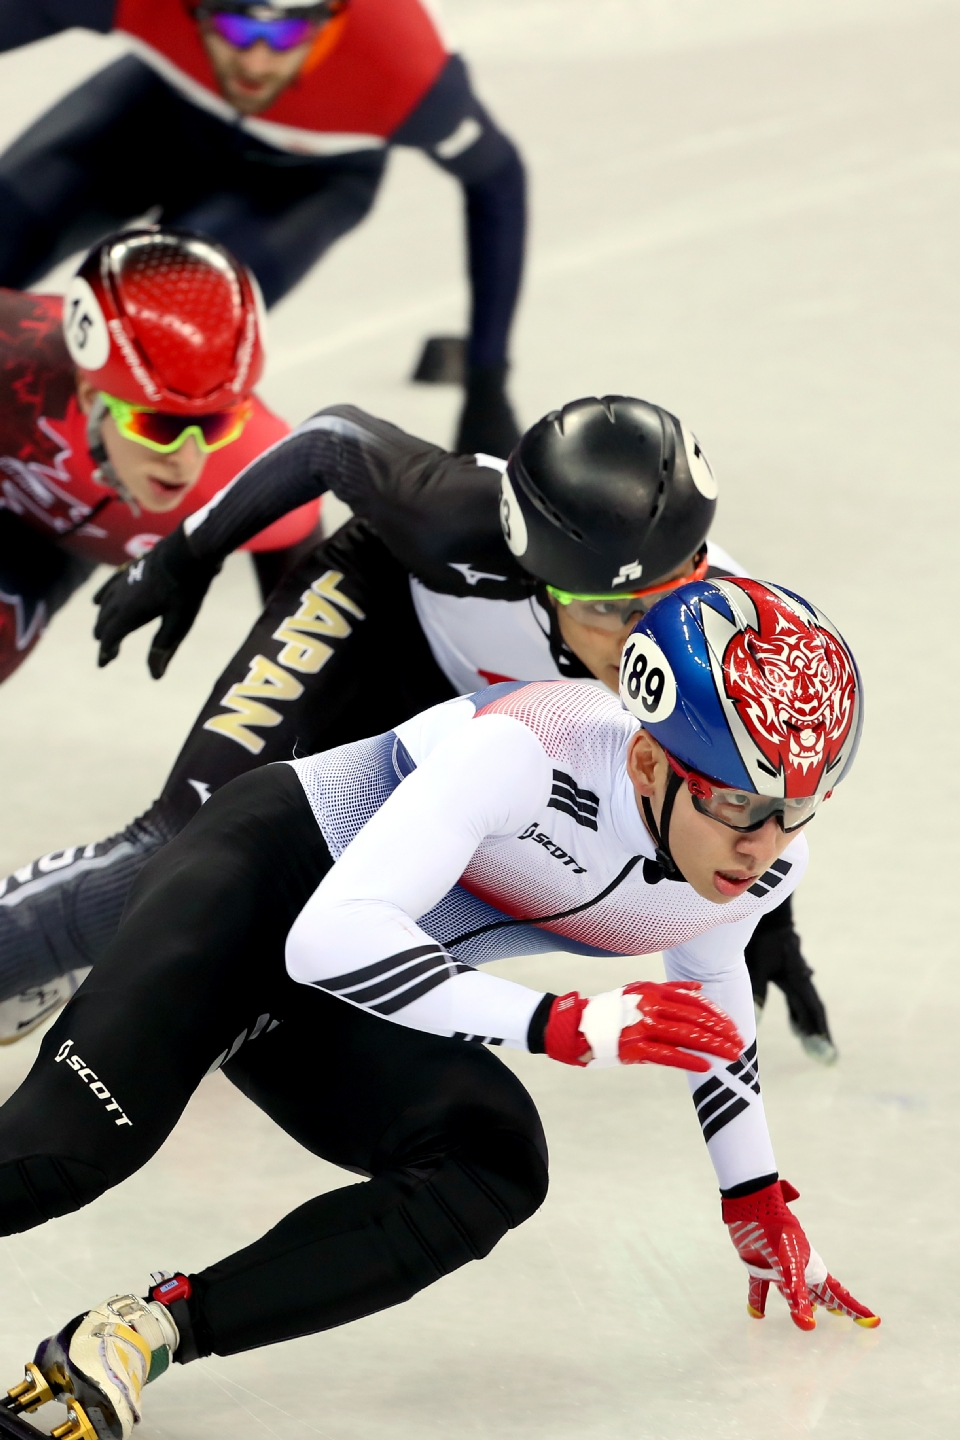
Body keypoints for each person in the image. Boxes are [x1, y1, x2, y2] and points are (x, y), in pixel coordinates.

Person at [0, 577, 877, 1440]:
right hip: (259, 894)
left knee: (492, 1161)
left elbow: (711, 998)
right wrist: (554, 1024)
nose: (762, 844)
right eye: (738, 804)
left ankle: (148, 1332)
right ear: (650, 761)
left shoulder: (758, 866)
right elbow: (325, 940)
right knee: (67, 1156)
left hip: (366, 984)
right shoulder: (527, 751)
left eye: (798, 811)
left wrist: (752, 1193)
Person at [0, 397, 836, 1058]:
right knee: (178, 847)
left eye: (664, 596)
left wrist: (762, 919)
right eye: (606, 610)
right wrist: (188, 552)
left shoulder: (728, 628)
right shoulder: (451, 517)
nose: (640, 635)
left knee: (315, 894)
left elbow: (745, 772)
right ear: (534, 571)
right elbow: (330, 439)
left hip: (487, 713)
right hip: (379, 614)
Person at [0, 0, 526, 457]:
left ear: (332, 16)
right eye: (232, 26)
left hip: (307, 177)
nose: (253, 59)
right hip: (161, 110)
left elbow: (499, 181)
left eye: (285, 33)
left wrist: (487, 383)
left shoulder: (410, 75)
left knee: (163, 334)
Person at [0, 224, 321, 690]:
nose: (186, 460)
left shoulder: (259, 474)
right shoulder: (12, 356)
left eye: (217, 424)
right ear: (92, 395)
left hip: (47, 547)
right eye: (160, 425)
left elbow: (321, 672)